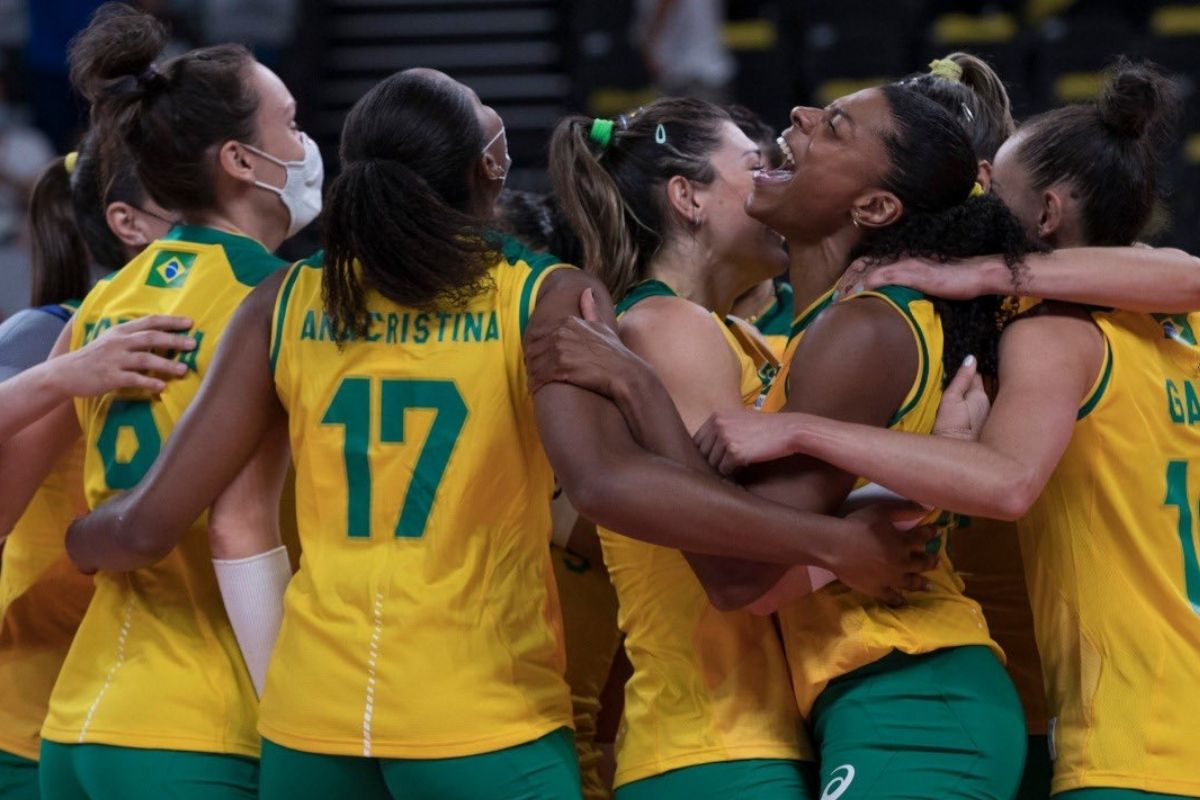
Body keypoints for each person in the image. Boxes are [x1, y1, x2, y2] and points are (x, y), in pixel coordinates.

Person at [63, 67, 936, 800]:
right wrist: (828, 537)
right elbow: (603, 486)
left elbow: (148, 524)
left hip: (309, 724)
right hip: (478, 717)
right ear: (491, 165)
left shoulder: (286, 299)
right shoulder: (542, 295)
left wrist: (80, 532)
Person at [694, 62, 1200, 800]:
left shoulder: (1045, 335)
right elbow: (1183, 273)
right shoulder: (1168, 324)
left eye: (993, 188)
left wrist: (804, 431)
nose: (975, 199)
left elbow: (1006, 481)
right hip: (1056, 706)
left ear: (1049, 213)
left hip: (1123, 731)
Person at [531, 81, 1041, 799]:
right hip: (758, 724)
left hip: (893, 687)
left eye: (832, 128)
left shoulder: (847, 326)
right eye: (751, 158)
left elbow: (741, 565)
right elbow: (719, 550)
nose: (793, 124)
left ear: (874, 206)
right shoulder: (740, 328)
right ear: (688, 197)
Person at [0, 4, 322, 797]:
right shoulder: (278, 299)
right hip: (201, 722)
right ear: (242, 160)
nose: (308, 142)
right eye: (292, 122)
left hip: (79, 725)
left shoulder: (104, 303)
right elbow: (238, 529)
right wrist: (297, 723)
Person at [549, 99, 812, 799]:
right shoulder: (667, 326)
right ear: (688, 197)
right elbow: (732, 557)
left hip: (731, 743)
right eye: (756, 169)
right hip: (718, 746)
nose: (776, 185)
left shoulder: (726, 332)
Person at [0, 137, 187, 799]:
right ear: (123, 223)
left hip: (131, 688)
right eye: (181, 206)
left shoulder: (212, 320)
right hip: (30, 706)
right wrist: (65, 374)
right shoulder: (45, 332)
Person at [724, 104, 793, 360]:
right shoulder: (632, 323)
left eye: (761, 174)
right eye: (752, 174)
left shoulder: (816, 324)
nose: (759, 204)